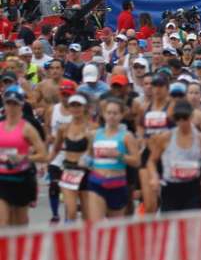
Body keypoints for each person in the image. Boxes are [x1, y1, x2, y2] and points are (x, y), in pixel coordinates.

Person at [147, 99, 201, 213]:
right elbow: (151, 161)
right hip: (170, 188)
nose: (181, 122)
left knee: (191, 227)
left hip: (193, 189)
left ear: (191, 117)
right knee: (171, 228)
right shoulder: (166, 138)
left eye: (184, 118)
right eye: (178, 118)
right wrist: (154, 177)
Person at [85, 98, 142, 221]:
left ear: (121, 115)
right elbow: (89, 154)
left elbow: (137, 161)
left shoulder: (126, 136)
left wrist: (119, 155)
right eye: (109, 113)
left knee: (115, 230)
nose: (111, 116)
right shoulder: (95, 134)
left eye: (115, 113)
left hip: (117, 184)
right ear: (104, 114)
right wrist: (86, 161)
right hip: (96, 182)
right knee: (97, 226)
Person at [0, 87, 48, 225]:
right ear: (4, 104)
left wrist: (25, 158)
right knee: (3, 222)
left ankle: (20, 245)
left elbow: (43, 154)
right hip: (2, 179)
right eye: (9, 103)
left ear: (21, 105)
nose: (11, 107)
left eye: (15, 103)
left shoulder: (27, 128)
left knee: (19, 224)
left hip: (21, 179)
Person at [49, 93, 92, 222]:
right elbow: (56, 148)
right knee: (71, 211)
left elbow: (94, 152)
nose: (75, 108)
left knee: (87, 214)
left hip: (86, 172)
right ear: (69, 108)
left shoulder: (91, 128)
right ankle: (70, 239)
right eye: (72, 105)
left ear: (85, 107)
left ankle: (86, 240)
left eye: (78, 105)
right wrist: (47, 162)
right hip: (68, 170)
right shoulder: (64, 128)